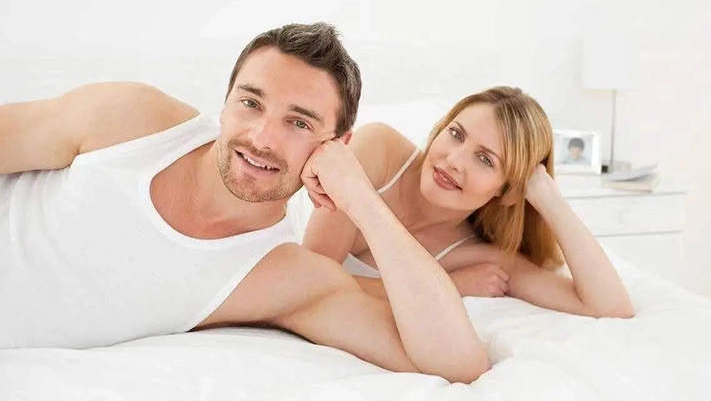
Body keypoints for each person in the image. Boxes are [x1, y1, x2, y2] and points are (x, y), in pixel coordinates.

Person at [0, 22, 490, 383]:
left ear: (336, 146)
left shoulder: (280, 276)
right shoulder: (131, 121)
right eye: (251, 103)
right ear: (227, 98)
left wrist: (361, 198)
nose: (261, 138)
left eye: (299, 123)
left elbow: (458, 362)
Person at [303, 87, 634, 318]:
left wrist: (549, 198)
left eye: (485, 160)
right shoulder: (378, 150)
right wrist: (448, 286)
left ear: (508, 192)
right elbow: (309, 280)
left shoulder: (479, 256)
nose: (454, 160)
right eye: (457, 134)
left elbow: (610, 307)